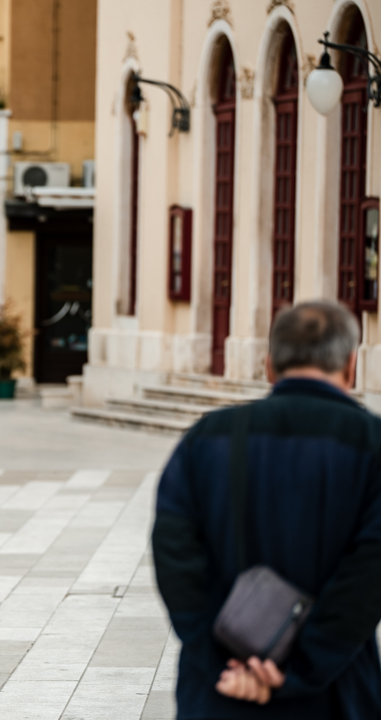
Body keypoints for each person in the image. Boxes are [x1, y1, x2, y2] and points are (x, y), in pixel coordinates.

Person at [152, 300, 381, 719]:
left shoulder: (207, 439)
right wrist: (298, 670)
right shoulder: (372, 444)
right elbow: (369, 575)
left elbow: (174, 556)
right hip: (335, 693)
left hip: (221, 691)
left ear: (269, 366)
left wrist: (224, 663)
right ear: (351, 366)